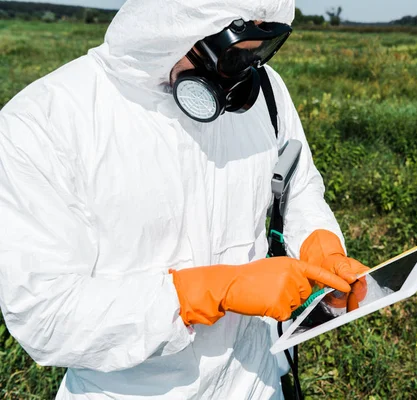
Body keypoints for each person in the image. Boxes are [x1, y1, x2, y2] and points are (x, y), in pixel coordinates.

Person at [0, 0, 369, 399]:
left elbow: (297, 184)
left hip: (256, 381)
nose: (240, 77)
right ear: (174, 24)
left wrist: (318, 242)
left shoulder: (264, 90)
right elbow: (44, 315)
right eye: (231, 56)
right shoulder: (44, 123)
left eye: (258, 52)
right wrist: (203, 294)